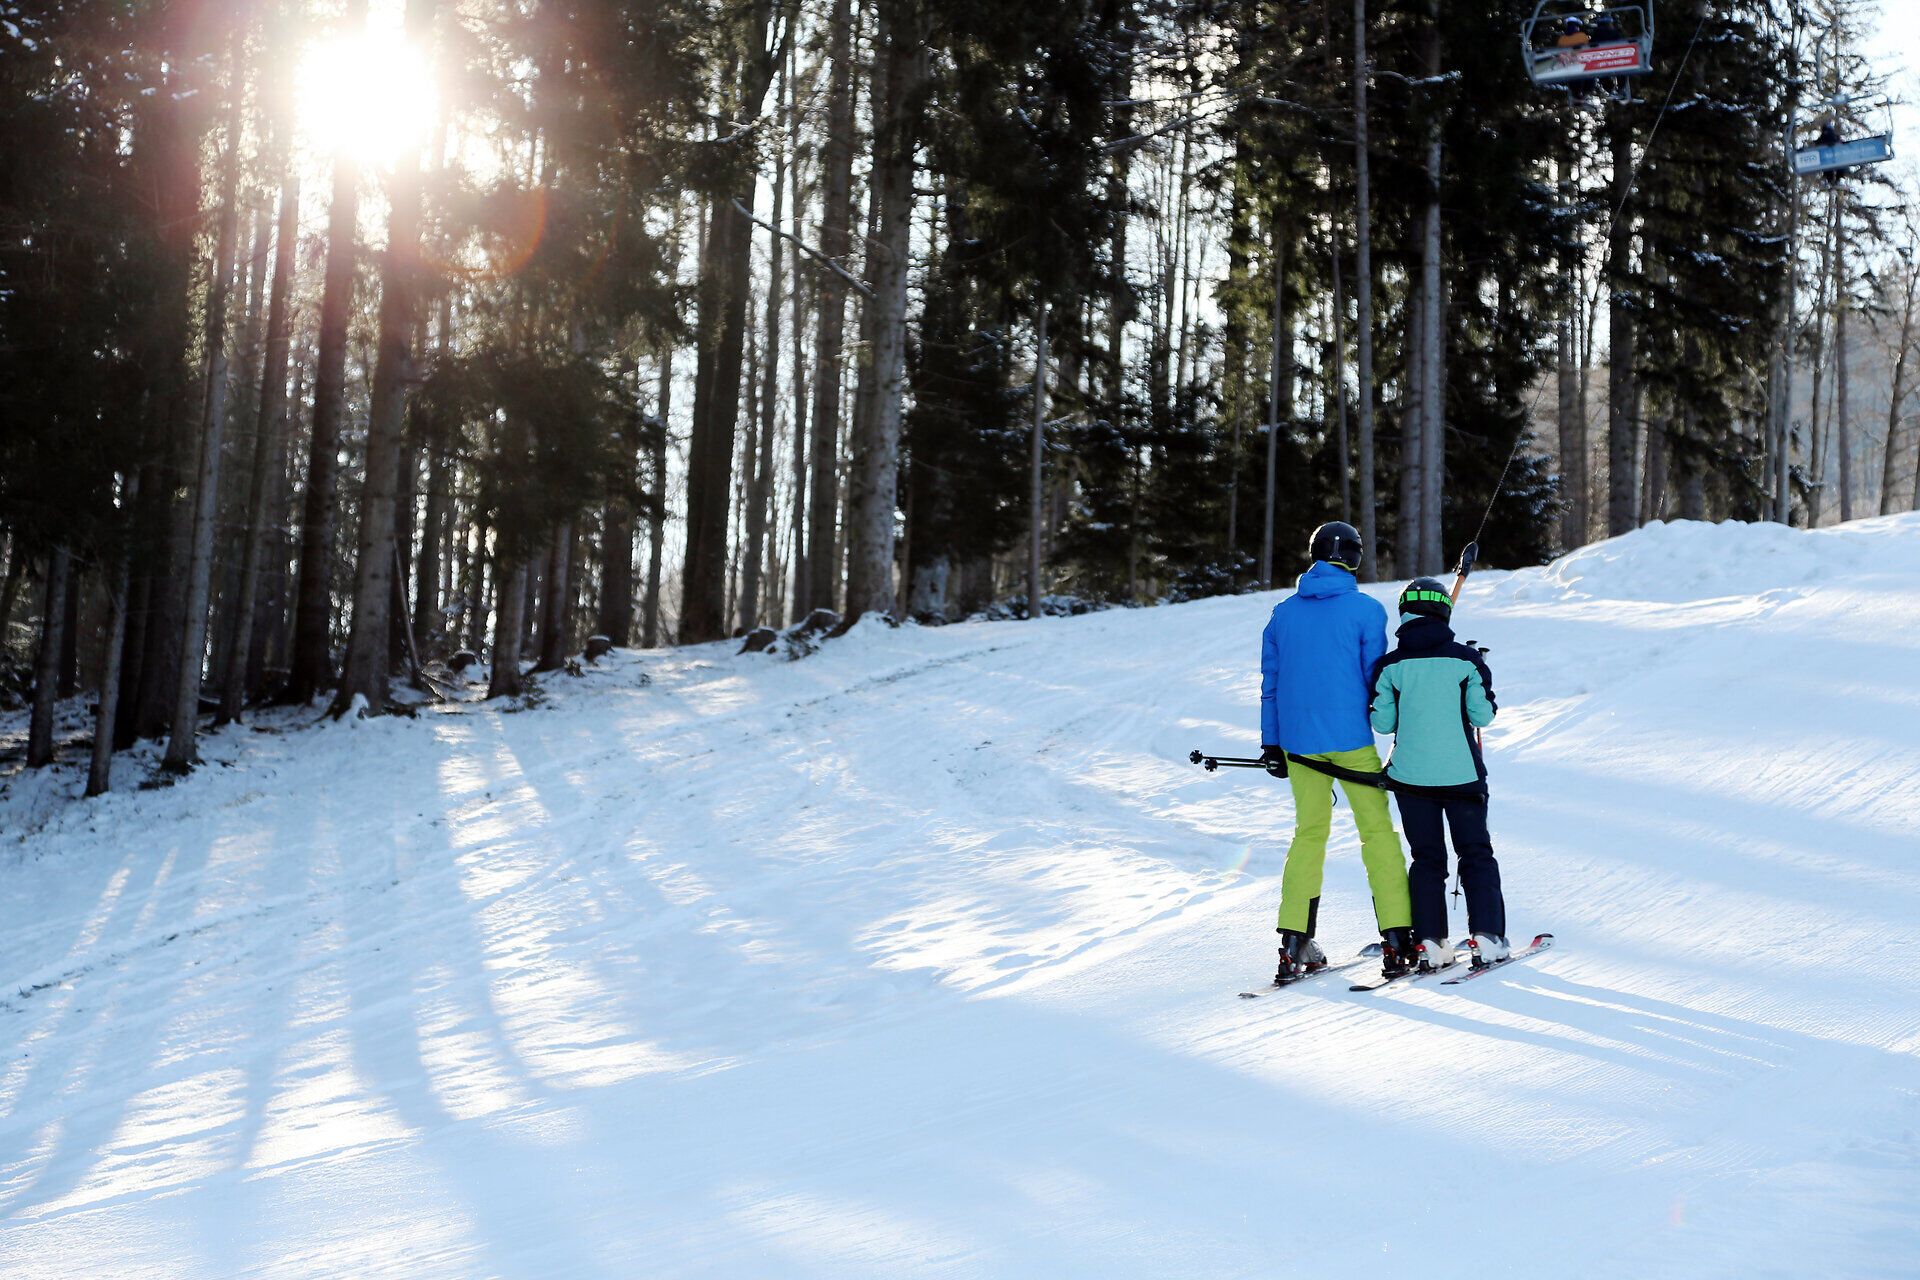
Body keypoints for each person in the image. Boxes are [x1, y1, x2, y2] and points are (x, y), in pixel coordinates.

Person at [1260, 522, 1416, 983]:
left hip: (1299, 746)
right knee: (1378, 834)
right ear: (1354, 557)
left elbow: (1271, 685)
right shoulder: (1367, 611)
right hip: (1351, 743)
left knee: (1309, 835)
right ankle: (1397, 937)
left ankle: (1294, 942)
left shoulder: (1281, 614)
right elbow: (1376, 683)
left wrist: (1272, 743)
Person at [1367, 577, 1508, 972]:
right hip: (1462, 776)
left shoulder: (1390, 666)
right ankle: (1488, 936)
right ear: (1444, 610)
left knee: (1426, 858)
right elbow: (1484, 715)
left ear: (1404, 613)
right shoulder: (1466, 661)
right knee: (1475, 854)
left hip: (1411, 779)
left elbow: (1382, 723)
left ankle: (1430, 940)